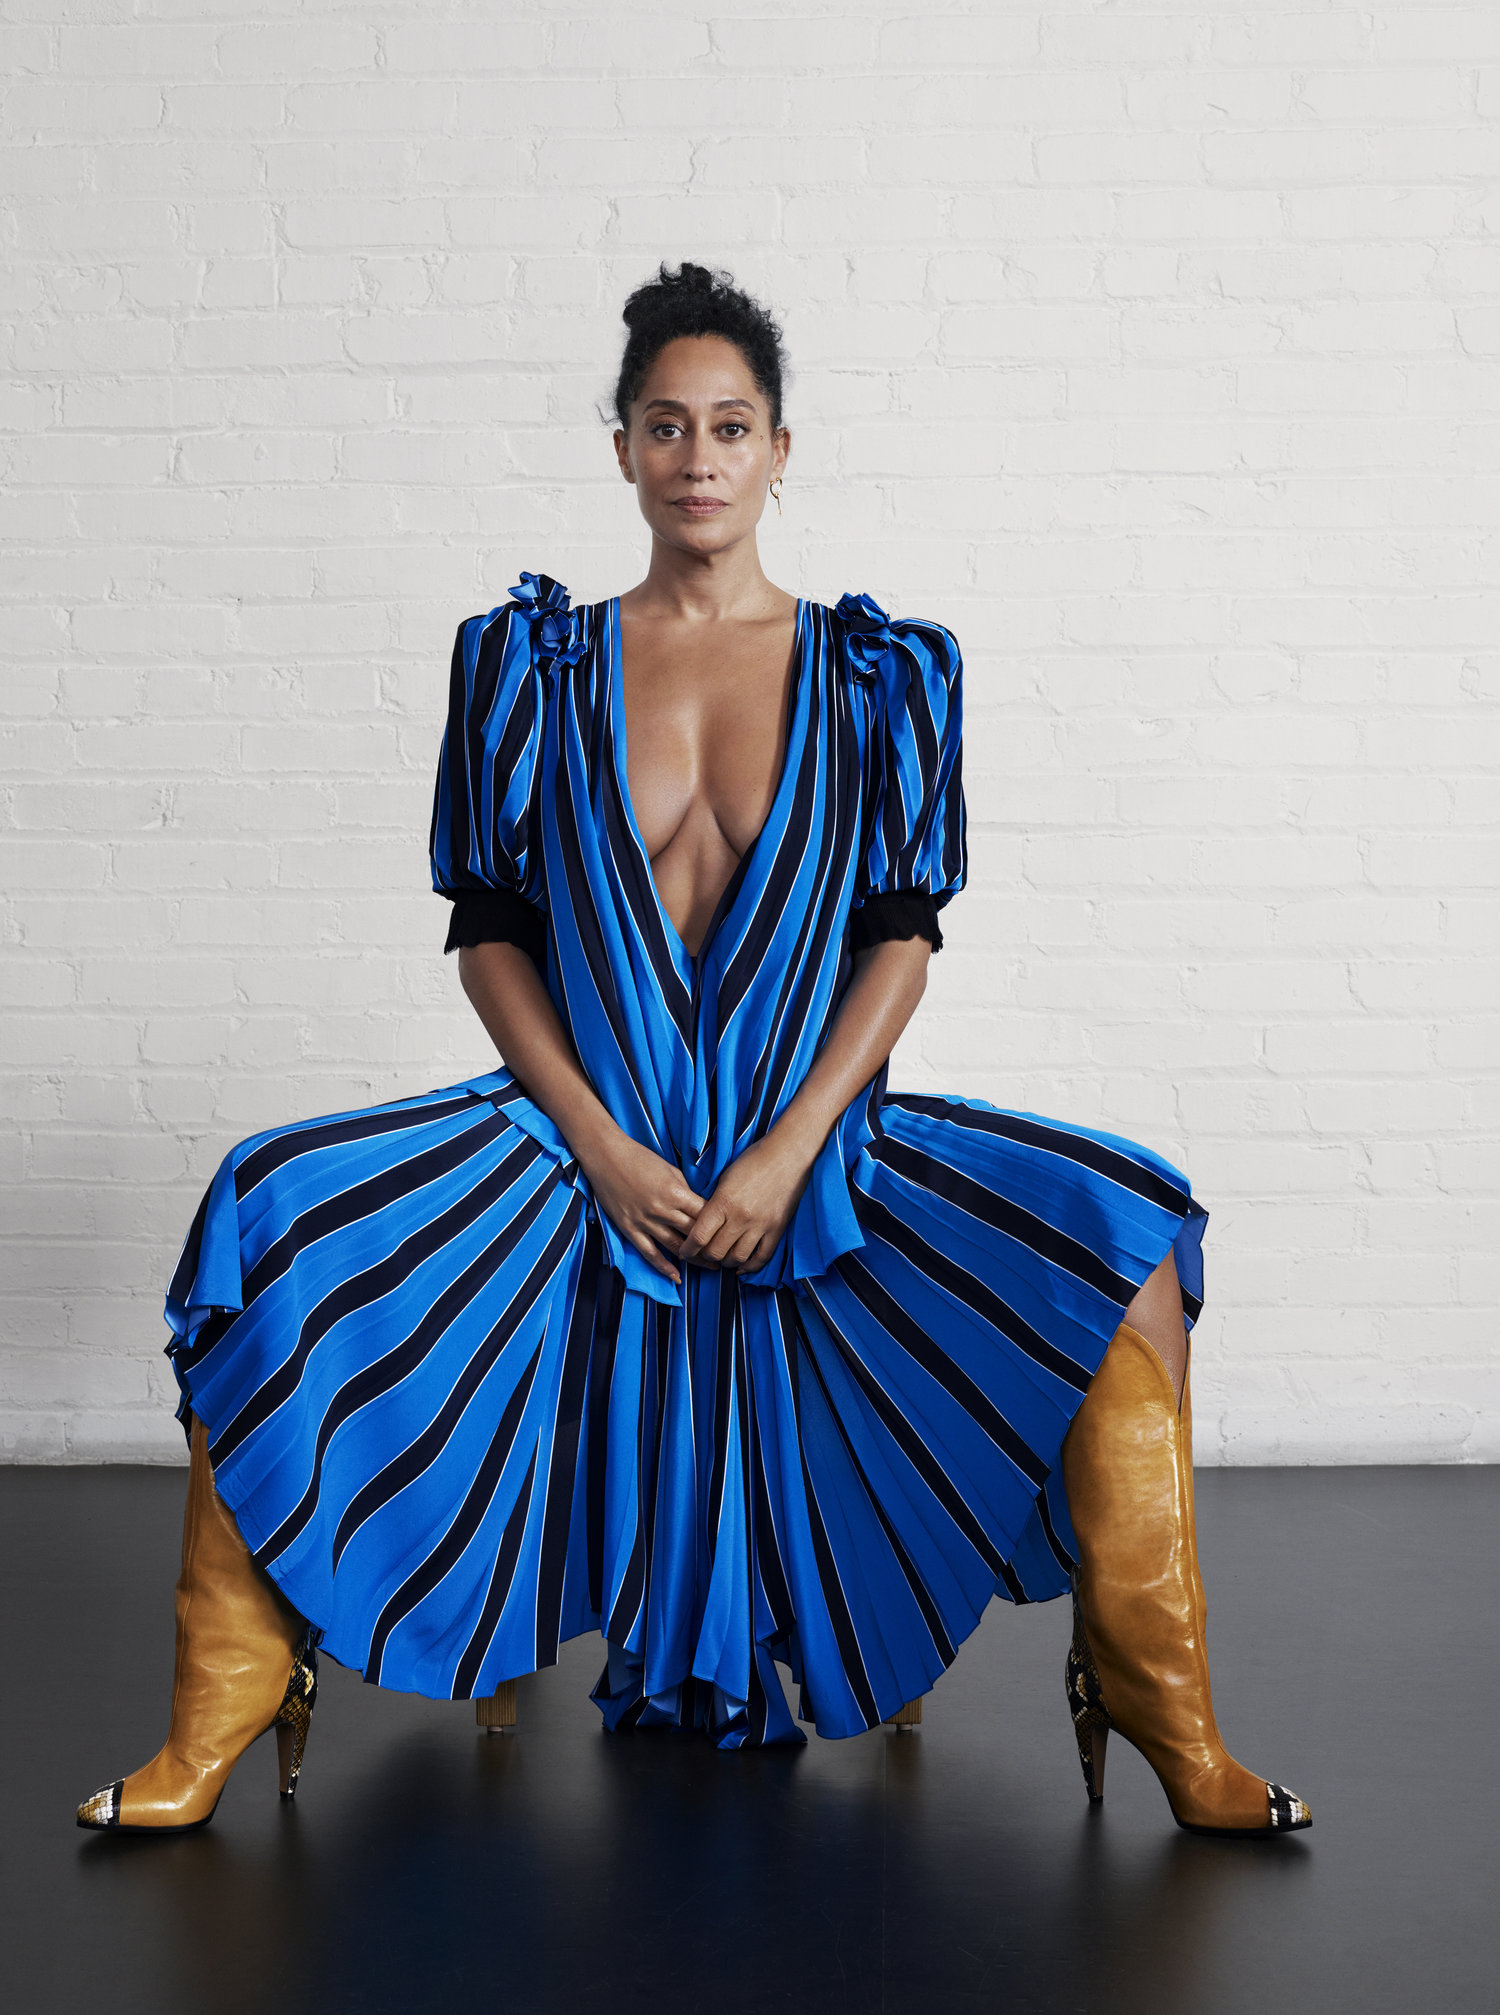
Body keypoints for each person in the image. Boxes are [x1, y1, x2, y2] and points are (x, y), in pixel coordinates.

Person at [77, 261, 1309, 1839]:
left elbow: (902, 933)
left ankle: (1157, 1700)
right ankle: (230, 1696)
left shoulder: (883, 673)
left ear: (781, 451)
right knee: (271, 1210)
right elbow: (490, 928)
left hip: (813, 1150)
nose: (699, 456)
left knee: (1125, 1230)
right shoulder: (528, 664)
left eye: (731, 426)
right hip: (577, 1139)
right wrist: (600, 1144)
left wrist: (791, 1151)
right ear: (624, 451)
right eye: (666, 425)